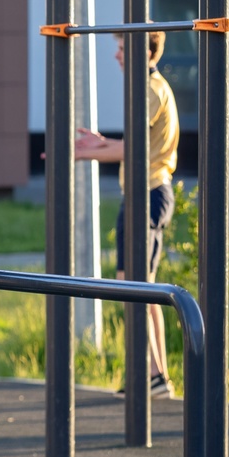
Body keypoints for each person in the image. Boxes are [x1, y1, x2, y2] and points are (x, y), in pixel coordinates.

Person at [73, 30, 180, 399]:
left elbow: (135, 149)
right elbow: (136, 143)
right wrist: (99, 142)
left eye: (122, 48)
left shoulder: (150, 89)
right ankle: (156, 376)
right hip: (148, 192)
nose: (117, 55)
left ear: (144, 51)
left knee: (131, 287)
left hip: (146, 194)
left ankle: (149, 375)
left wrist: (85, 153)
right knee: (143, 289)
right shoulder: (150, 86)